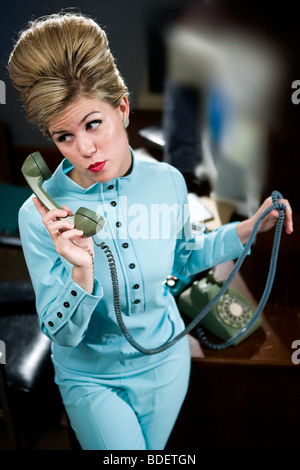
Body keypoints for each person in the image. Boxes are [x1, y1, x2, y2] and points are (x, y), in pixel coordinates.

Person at [8, 12, 293, 450]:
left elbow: (184, 257)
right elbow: (61, 333)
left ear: (121, 108)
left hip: (166, 366)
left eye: (92, 123)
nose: (84, 149)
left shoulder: (168, 182)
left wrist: (247, 229)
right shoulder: (39, 214)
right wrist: (80, 271)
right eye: (63, 136)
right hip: (90, 378)